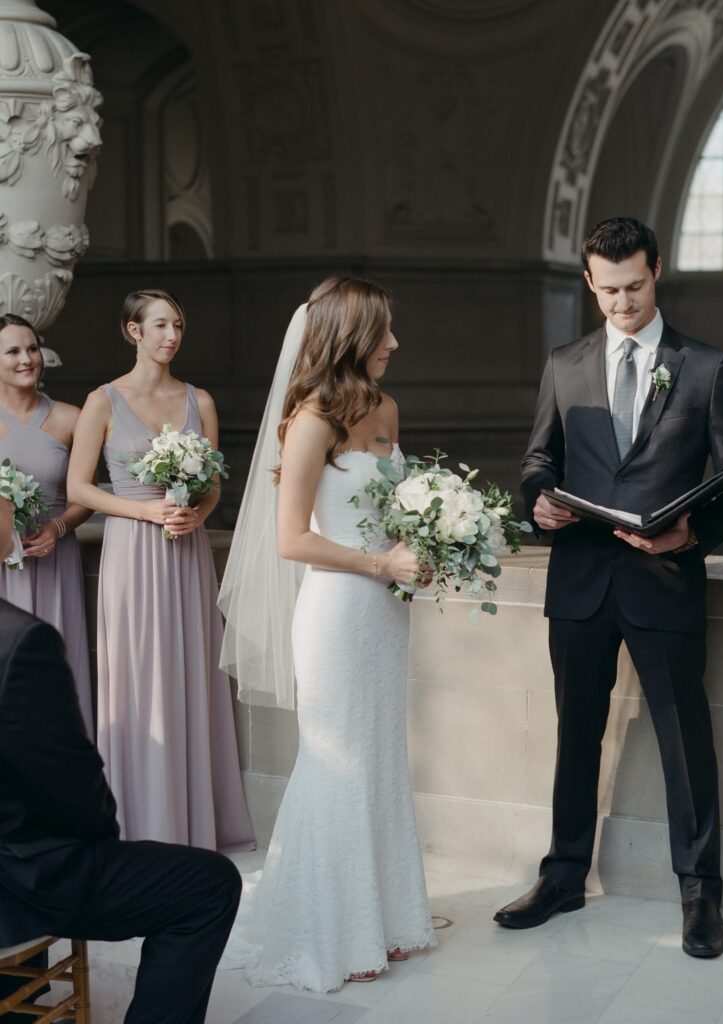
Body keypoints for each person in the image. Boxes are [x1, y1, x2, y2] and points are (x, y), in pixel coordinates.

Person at [495, 217, 723, 958]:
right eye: (607, 292)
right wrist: (536, 500)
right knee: (575, 738)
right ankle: (563, 875)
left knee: (685, 744)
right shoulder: (565, 363)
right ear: (590, 285)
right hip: (581, 582)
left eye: (634, 286)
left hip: (664, 581)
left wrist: (690, 534)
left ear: (656, 270)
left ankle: (700, 897)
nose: (622, 303)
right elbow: (539, 460)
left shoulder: (706, 366)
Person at [219, 276, 436, 992]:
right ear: (348, 337)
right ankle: (330, 932)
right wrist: (379, 561)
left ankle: (388, 920)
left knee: (379, 756)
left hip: (385, 613)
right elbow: (291, 539)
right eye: (383, 332)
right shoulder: (309, 419)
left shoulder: (388, 409)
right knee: (336, 759)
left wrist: (424, 552)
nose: (395, 344)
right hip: (338, 612)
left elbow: (396, 513)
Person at [0, 493, 243, 1024]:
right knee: (209, 884)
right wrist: (99, 836)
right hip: (20, 882)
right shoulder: (19, 642)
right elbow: (68, 788)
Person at [67, 288, 255, 851]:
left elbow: (215, 483)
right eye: (159, 326)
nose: (171, 336)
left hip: (184, 555)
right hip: (132, 552)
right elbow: (78, 488)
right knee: (139, 677)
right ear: (133, 332)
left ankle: (196, 820)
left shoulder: (201, 401)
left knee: (192, 672)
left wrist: (196, 514)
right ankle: (141, 823)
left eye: (178, 325)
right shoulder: (103, 401)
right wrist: (145, 509)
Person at [0, 313, 93, 735]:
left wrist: (58, 528)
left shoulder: (72, 418)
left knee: (56, 673)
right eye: (13, 351)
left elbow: (86, 496)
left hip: (55, 564)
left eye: (32, 349)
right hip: (1, 567)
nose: (27, 359)